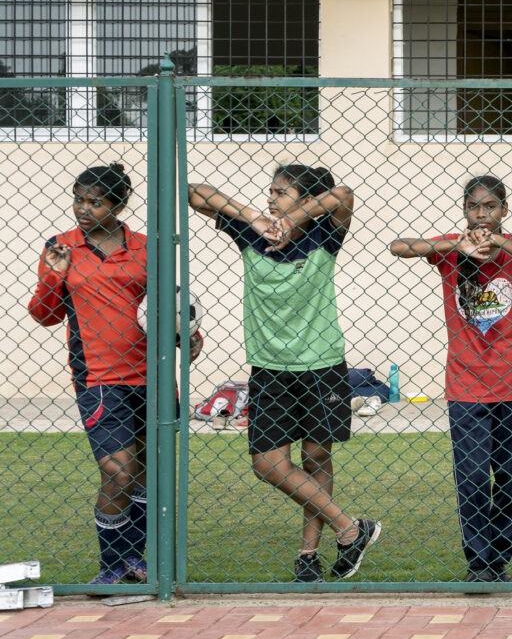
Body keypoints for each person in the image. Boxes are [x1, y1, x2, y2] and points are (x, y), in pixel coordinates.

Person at [188, 165, 380, 582]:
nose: (271, 198)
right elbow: (195, 194)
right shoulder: (250, 234)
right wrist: (249, 215)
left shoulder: (324, 237)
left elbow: (343, 194)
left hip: (321, 365)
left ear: (305, 201)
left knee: (316, 457)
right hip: (270, 369)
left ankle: (308, 556)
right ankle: (350, 528)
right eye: (269, 192)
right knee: (267, 463)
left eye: (281, 193)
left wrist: (295, 218)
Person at [29, 163, 203, 588]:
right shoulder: (61, 246)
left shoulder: (148, 248)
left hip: (153, 374)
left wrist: (188, 337)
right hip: (99, 378)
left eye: (96, 202)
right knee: (117, 471)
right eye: (79, 199)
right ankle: (109, 565)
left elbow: (171, 307)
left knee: (145, 470)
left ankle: (134, 561)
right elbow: (45, 316)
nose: (83, 209)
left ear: (119, 205)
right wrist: (55, 274)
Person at [389, 176, 512, 584]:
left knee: (511, 479)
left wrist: (500, 243)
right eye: (473, 207)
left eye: (490, 207)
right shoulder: (451, 248)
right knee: (472, 479)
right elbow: (398, 247)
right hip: (465, 386)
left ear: (503, 211)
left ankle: (498, 558)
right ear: (465, 210)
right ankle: (479, 563)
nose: (481, 215)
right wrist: (455, 245)